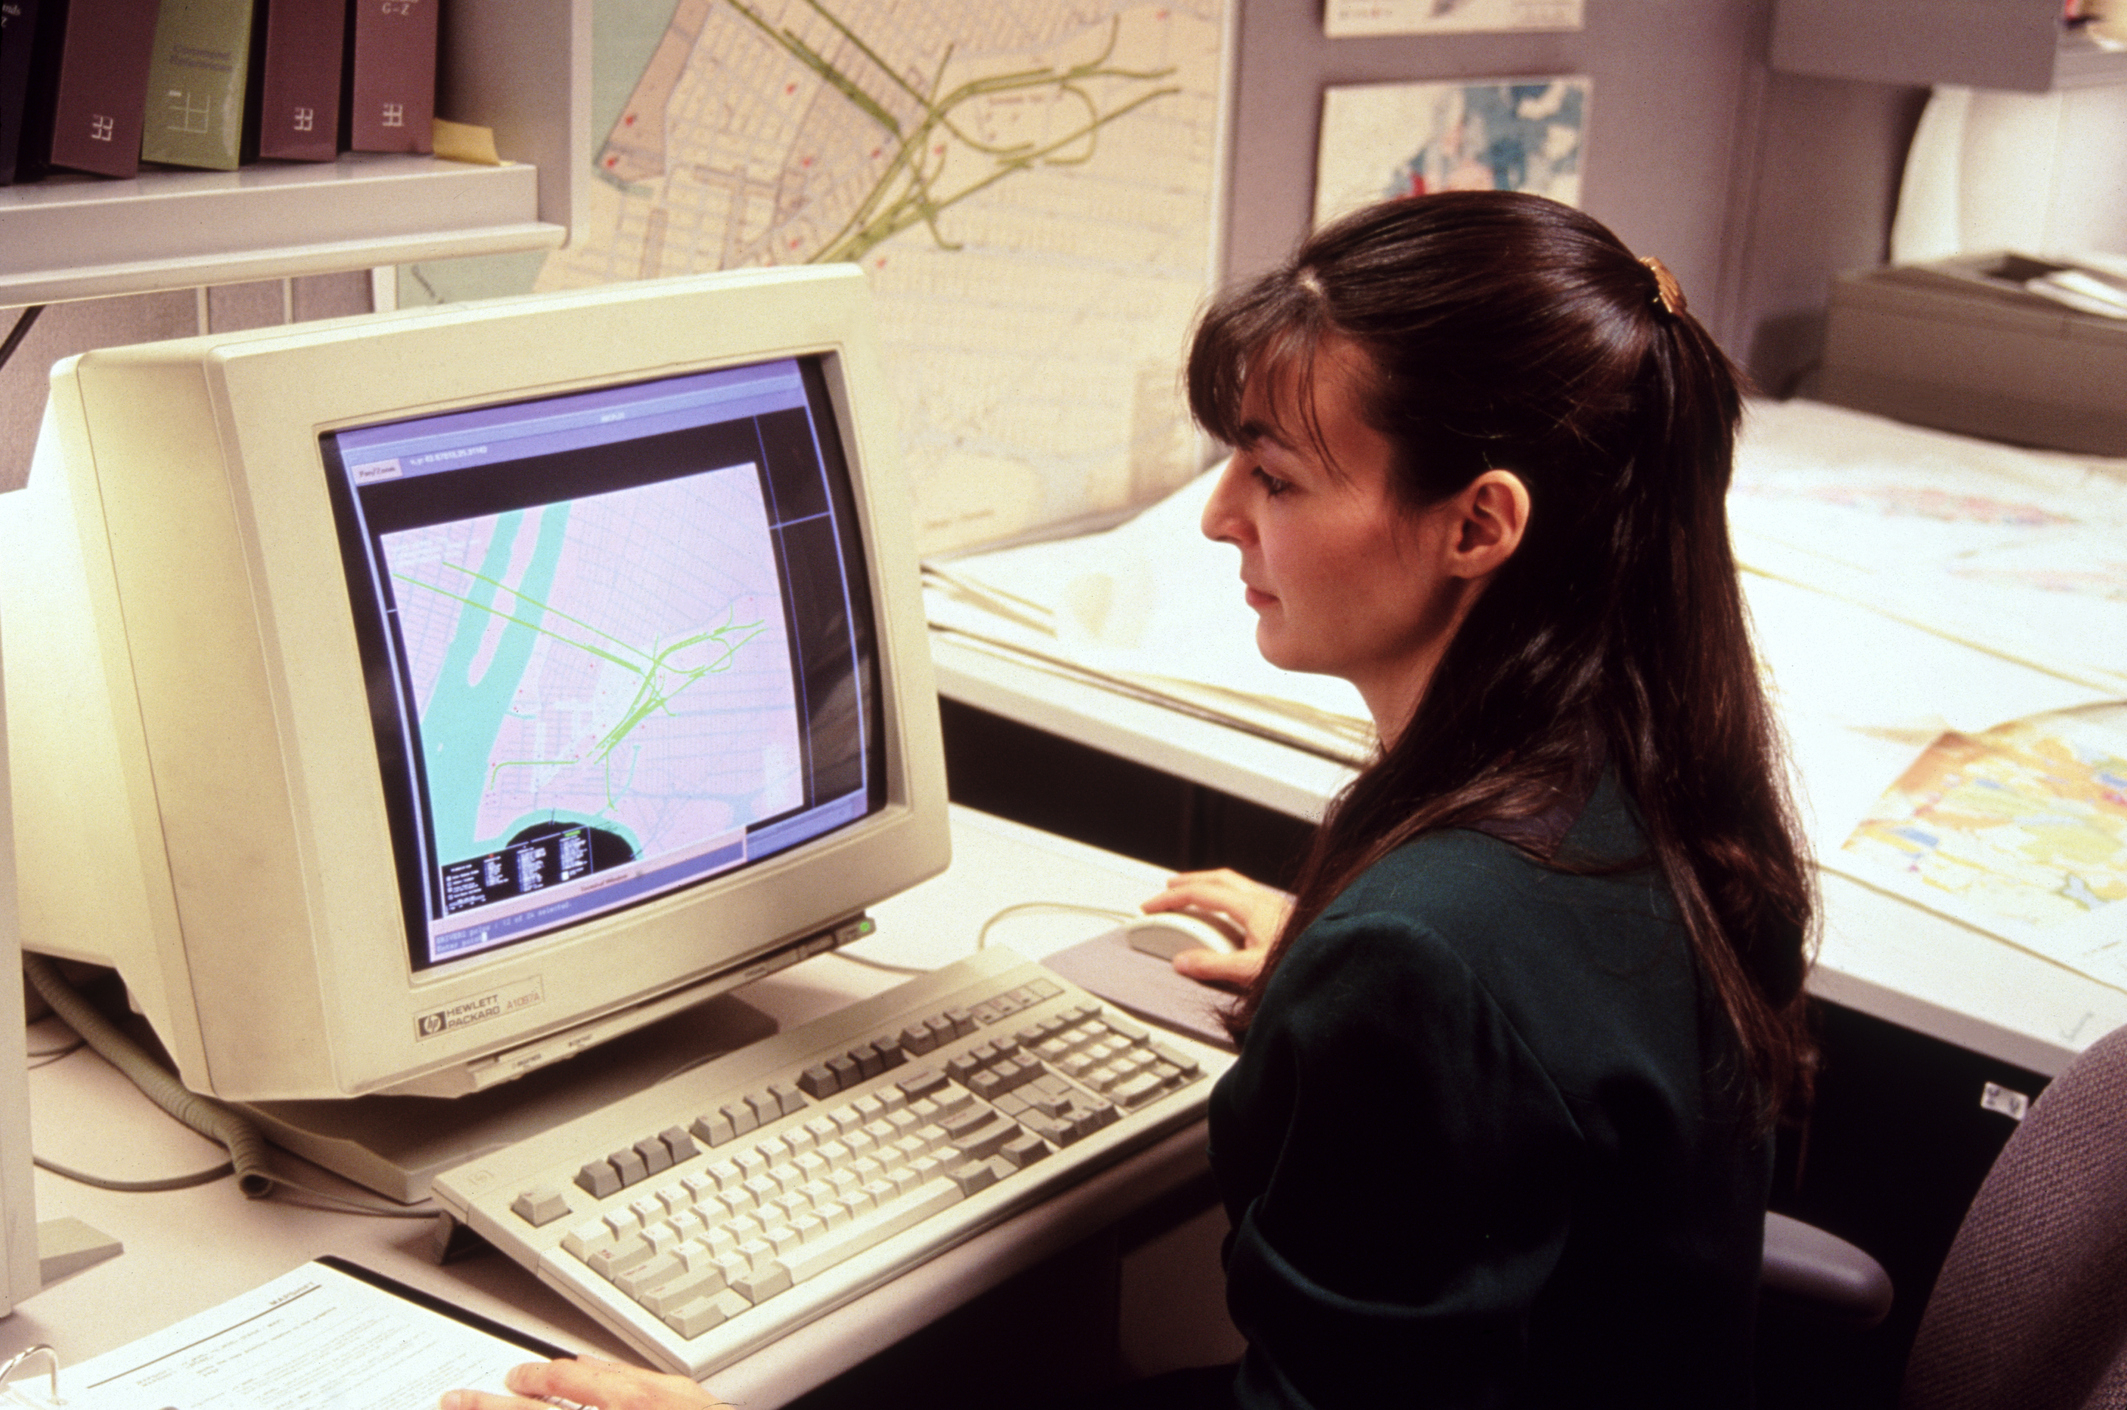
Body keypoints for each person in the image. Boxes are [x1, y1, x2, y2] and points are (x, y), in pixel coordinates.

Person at [442, 190, 1813, 1410]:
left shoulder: (1431, 956)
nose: (1220, 515)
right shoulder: (1652, 783)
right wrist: (1355, 968)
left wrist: (1396, 985)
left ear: (1479, 525)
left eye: (1275, 474)